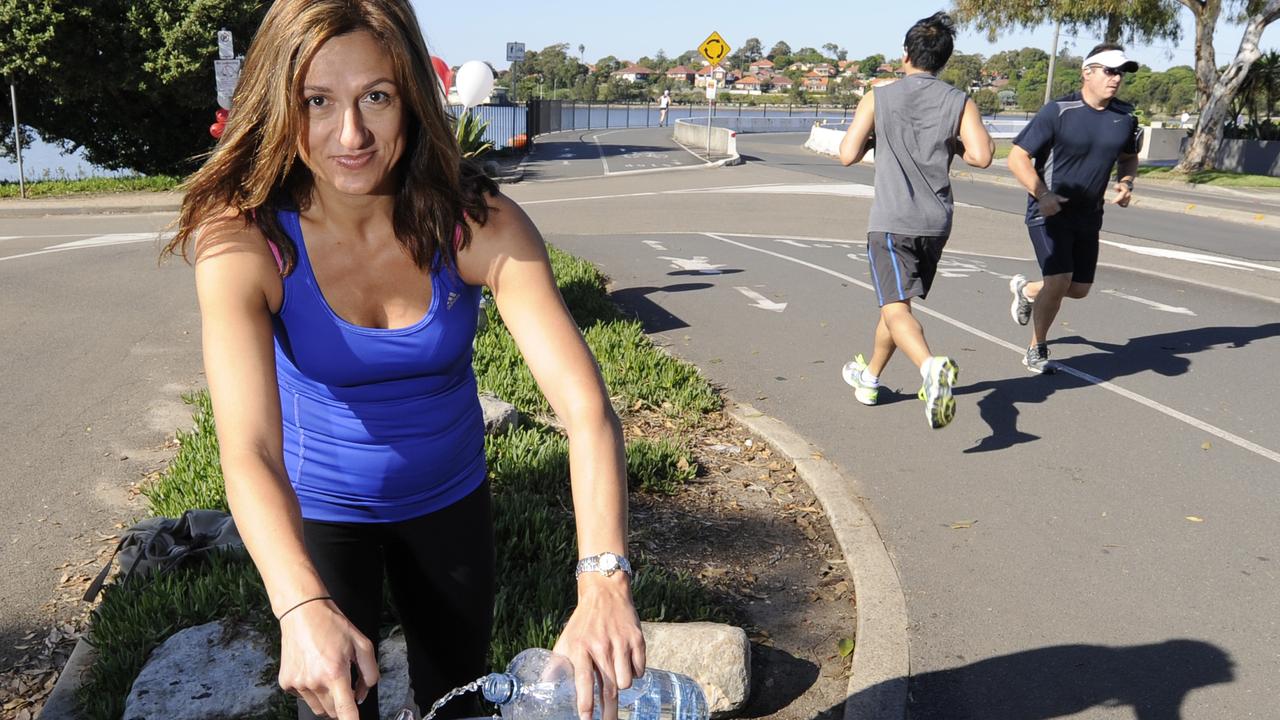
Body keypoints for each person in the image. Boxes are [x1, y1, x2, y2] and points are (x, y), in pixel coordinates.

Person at [165, 2, 644, 719]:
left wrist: (605, 579)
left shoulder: (477, 224)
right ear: (276, 103)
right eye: (316, 102)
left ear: (412, 96)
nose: (349, 135)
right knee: (335, 699)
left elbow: (586, 410)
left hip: (449, 495)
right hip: (321, 503)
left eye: (376, 98)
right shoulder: (243, 241)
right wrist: (299, 607)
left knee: (459, 696)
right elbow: (250, 449)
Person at [836, 12, 994, 429]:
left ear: (905, 54)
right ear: (943, 59)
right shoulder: (959, 101)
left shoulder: (878, 97)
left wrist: (876, 136)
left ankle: (930, 368)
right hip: (936, 222)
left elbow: (847, 154)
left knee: (894, 305)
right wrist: (951, 143)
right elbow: (981, 156)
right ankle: (869, 378)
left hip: (891, 220)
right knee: (897, 305)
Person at [1006, 43, 1141, 373]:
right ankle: (1037, 347)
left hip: (1089, 214)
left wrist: (1126, 183)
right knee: (1060, 278)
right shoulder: (1058, 111)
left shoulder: (1125, 118)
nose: (1116, 78)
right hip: (1048, 211)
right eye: (1110, 71)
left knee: (1078, 289)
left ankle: (1027, 290)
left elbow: (1128, 158)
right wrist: (1043, 194)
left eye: (1120, 73)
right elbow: (1017, 157)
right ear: (1088, 72)